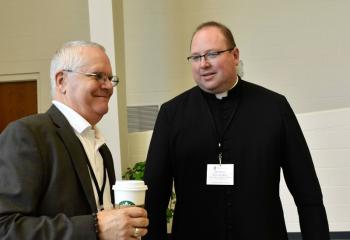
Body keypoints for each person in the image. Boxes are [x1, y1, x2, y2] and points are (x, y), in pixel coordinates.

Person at [143, 21, 329, 240]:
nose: (203, 64)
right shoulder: (172, 114)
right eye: (196, 57)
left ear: (235, 55)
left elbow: (307, 192)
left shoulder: (273, 107)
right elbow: (154, 198)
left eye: (212, 54)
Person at [0, 40, 148, 240]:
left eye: (110, 78)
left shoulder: (99, 145)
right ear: (62, 81)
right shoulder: (27, 135)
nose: (108, 86)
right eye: (97, 76)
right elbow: (5, 227)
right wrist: (95, 228)